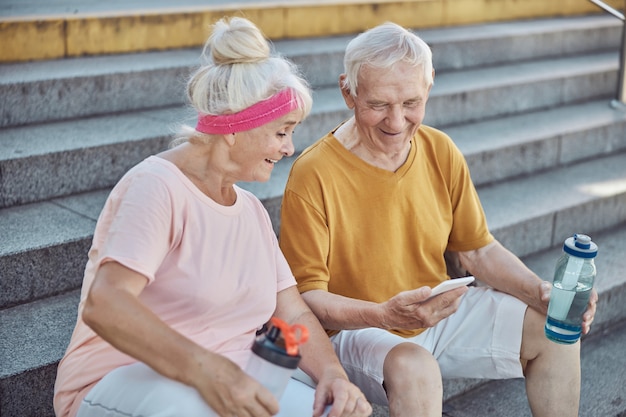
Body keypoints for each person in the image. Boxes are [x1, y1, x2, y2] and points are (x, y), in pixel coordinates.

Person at [53, 16, 372, 417]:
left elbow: (291, 311)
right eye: (281, 132)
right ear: (236, 129)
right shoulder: (157, 185)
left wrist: (332, 375)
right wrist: (208, 371)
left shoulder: (250, 210)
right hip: (119, 380)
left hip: (230, 377)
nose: (290, 148)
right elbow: (106, 303)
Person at [279, 21, 598, 417]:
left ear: (430, 85)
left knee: (554, 334)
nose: (397, 123)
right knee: (416, 367)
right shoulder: (313, 173)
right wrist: (383, 314)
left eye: (411, 103)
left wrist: (542, 294)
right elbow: (307, 299)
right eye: (379, 105)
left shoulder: (440, 149)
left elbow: (478, 251)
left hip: (436, 311)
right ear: (348, 91)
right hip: (357, 329)